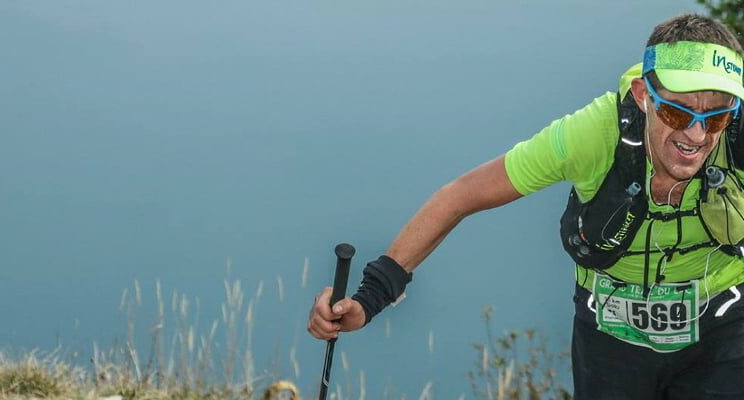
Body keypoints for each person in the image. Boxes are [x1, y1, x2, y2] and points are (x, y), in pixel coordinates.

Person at [307, 13, 744, 399]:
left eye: (718, 116)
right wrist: (370, 298)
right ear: (644, 95)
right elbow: (459, 197)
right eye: (678, 113)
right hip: (610, 337)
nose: (697, 134)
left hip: (724, 327)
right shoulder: (594, 134)